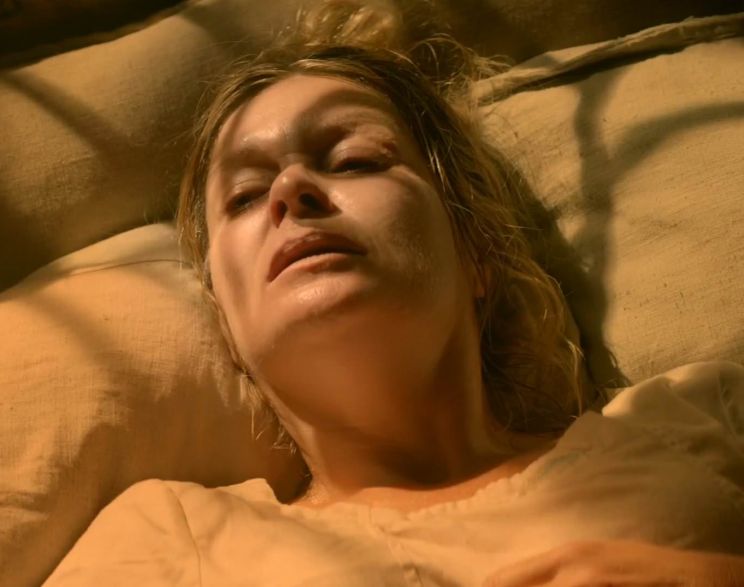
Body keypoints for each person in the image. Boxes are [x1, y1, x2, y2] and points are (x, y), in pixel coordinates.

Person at [43, 1, 744, 585]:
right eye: (247, 195)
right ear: (226, 321)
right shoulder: (174, 536)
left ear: (476, 251)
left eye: (354, 159)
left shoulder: (696, 416)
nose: (291, 189)